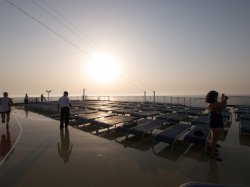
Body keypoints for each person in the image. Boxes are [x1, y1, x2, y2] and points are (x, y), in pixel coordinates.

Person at [205, 90, 228, 161]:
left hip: (215, 121)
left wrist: (223, 99)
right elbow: (223, 106)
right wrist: (225, 99)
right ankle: (212, 154)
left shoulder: (213, 103)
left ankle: (211, 149)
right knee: (214, 139)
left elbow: (221, 105)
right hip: (215, 122)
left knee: (213, 137)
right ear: (213, 97)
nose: (217, 97)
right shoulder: (212, 104)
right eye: (216, 96)